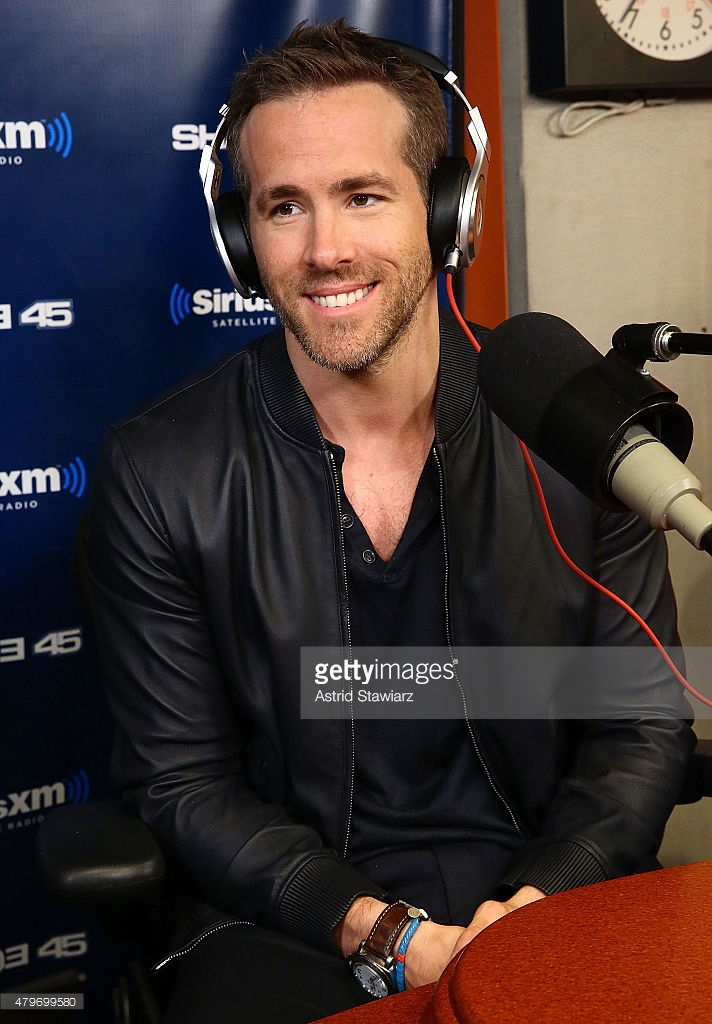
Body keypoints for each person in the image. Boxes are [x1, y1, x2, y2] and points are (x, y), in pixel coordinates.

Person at [87, 20, 694, 1024]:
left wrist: (540, 903)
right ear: (242, 239)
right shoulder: (161, 471)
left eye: (363, 196)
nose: (325, 251)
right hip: (285, 924)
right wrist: (386, 933)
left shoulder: (579, 434)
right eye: (285, 206)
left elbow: (638, 724)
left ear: (447, 211)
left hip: (545, 891)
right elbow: (184, 782)